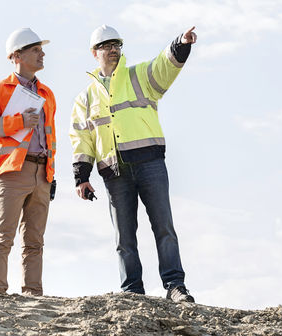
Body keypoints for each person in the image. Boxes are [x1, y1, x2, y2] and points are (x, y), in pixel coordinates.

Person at [69, 24, 197, 302]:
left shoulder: (139, 76)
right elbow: (81, 137)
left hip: (149, 163)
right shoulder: (85, 98)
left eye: (117, 45)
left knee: (164, 227)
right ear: (95, 53)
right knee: (124, 238)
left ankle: (175, 286)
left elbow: (164, 66)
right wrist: (82, 176)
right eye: (107, 45)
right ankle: (132, 291)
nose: (114, 50)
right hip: (114, 173)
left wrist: (180, 44)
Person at [0, 28, 57, 296]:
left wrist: (50, 173)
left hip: (41, 172)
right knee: (4, 235)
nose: (42, 53)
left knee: (35, 240)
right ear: (17, 55)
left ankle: (33, 292)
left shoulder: (47, 93)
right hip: (11, 172)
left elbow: (50, 137)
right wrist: (18, 122)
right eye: (36, 49)